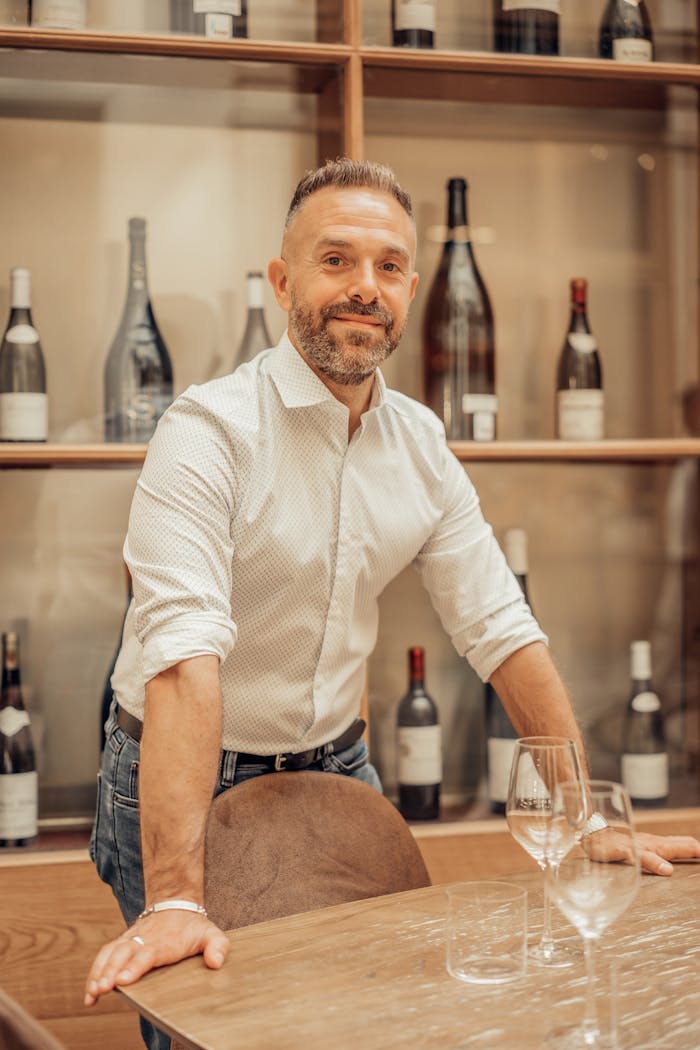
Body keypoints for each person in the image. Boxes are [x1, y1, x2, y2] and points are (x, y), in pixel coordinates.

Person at [84, 159, 700, 1048]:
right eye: (335, 261)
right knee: (214, 1025)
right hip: (182, 776)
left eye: (387, 266)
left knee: (366, 1018)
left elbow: (501, 630)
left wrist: (579, 815)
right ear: (283, 279)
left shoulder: (421, 444)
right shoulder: (207, 433)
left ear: (410, 287)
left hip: (338, 768)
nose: (363, 289)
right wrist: (177, 895)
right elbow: (181, 660)